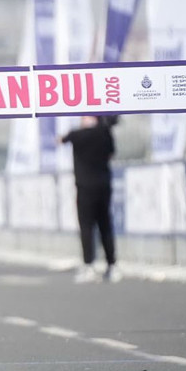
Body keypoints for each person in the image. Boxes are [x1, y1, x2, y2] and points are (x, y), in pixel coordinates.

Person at [60, 115, 119, 283]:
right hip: (103, 186)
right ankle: (111, 264)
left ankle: (89, 265)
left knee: (86, 227)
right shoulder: (105, 133)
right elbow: (111, 153)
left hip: (85, 188)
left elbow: (61, 140)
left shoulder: (77, 135)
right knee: (105, 226)